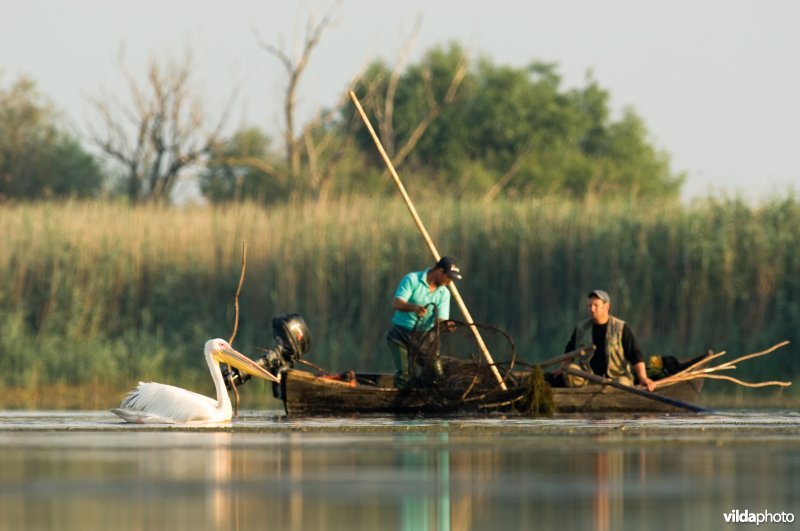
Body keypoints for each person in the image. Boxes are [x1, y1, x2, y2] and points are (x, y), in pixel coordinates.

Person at [557, 290, 656, 392]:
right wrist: (563, 368)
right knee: (570, 370)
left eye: (596, 305)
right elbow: (569, 352)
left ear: (606, 307)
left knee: (622, 383)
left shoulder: (620, 327)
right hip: (588, 379)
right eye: (589, 306)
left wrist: (643, 378)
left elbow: (635, 354)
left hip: (615, 378)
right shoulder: (581, 328)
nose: (592, 309)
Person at [386, 256, 462, 388]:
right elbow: (397, 303)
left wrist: (446, 325)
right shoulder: (412, 279)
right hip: (400, 336)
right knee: (404, 376)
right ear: (439, 271)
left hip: (426, 339)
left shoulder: (444, 293)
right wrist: (413, 308)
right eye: (448, 277)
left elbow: (441, 320)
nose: (450, 282)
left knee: (437, 377)